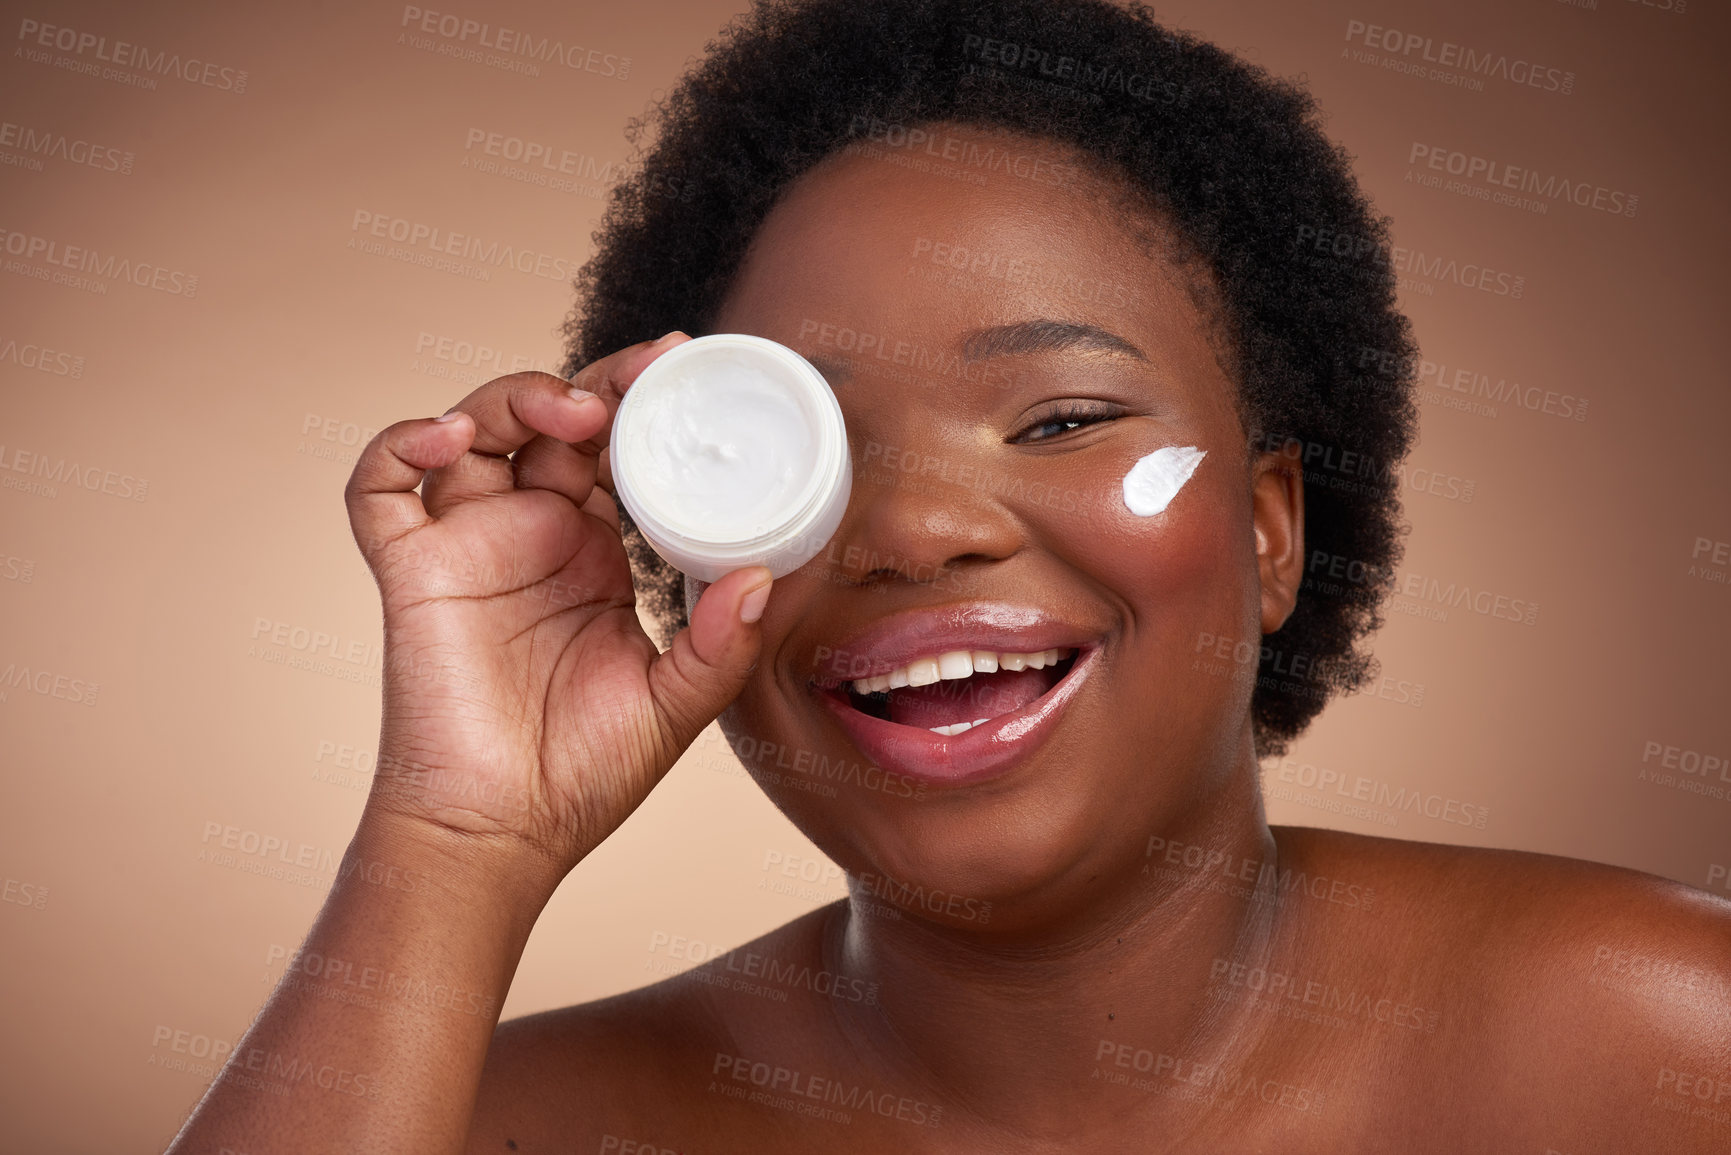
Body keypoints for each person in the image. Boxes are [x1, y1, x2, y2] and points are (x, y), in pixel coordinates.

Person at [166, 0, 1731, 1150]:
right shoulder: (500, 1124)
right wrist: (457, 840)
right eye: (816, 455)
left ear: (1270, 533)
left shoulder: (1657, 1047)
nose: (913, 532)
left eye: (1060, 417)